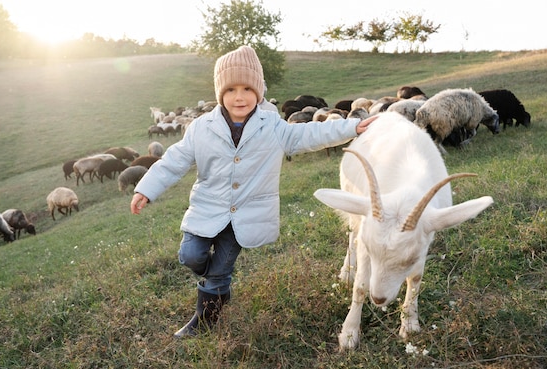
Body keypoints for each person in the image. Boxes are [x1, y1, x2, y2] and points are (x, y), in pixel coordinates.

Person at [130, 45, 376, 338]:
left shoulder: (272, 126)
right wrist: (146, 188)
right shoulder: (201, 128)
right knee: (190, 256)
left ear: (258, 92)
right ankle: (217, 286)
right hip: (208, 210)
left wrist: (353, 127)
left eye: (248, 88)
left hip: (246, 216)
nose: (239, 96)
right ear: (220, 93)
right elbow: (173, 161)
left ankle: (205, 318)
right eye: (231, 89)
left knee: (220, 269)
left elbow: (311, 133)